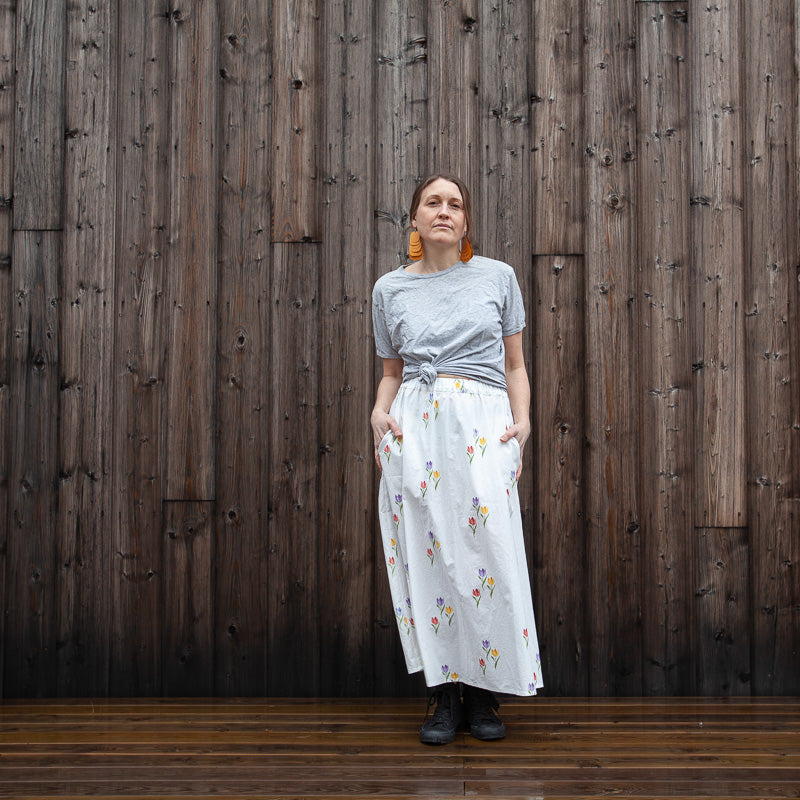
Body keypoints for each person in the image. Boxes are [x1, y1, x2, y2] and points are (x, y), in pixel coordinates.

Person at [370, 174, 543, 745]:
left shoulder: (498, 278)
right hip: (416, 427)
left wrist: (522, 426)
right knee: (428, 558)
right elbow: (391, 373)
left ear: (466, 222)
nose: (444, 211)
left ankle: (485, 693)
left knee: (486, 554)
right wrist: (378, 414)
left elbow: (515, 365)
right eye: (432, 202)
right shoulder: (389, 290)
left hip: (483, 426)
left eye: (455, 204)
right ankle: (442, 696)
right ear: (414, 220)